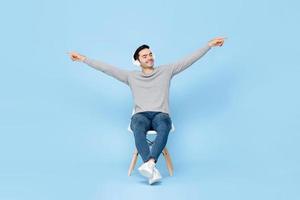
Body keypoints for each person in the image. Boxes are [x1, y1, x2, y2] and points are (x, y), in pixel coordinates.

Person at [68, 37, 225, 185]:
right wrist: (83, 59)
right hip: (140, 115)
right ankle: (151, 167)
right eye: (144, 56)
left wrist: (209, 45)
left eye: (150, 54)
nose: (149, 57)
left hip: (160, 114)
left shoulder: (167, 70)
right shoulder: (131, 76)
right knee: (138, 127)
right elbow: (106, 69)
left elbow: (189, 60)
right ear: (137, 61)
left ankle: (149, 165)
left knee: (165, 126)